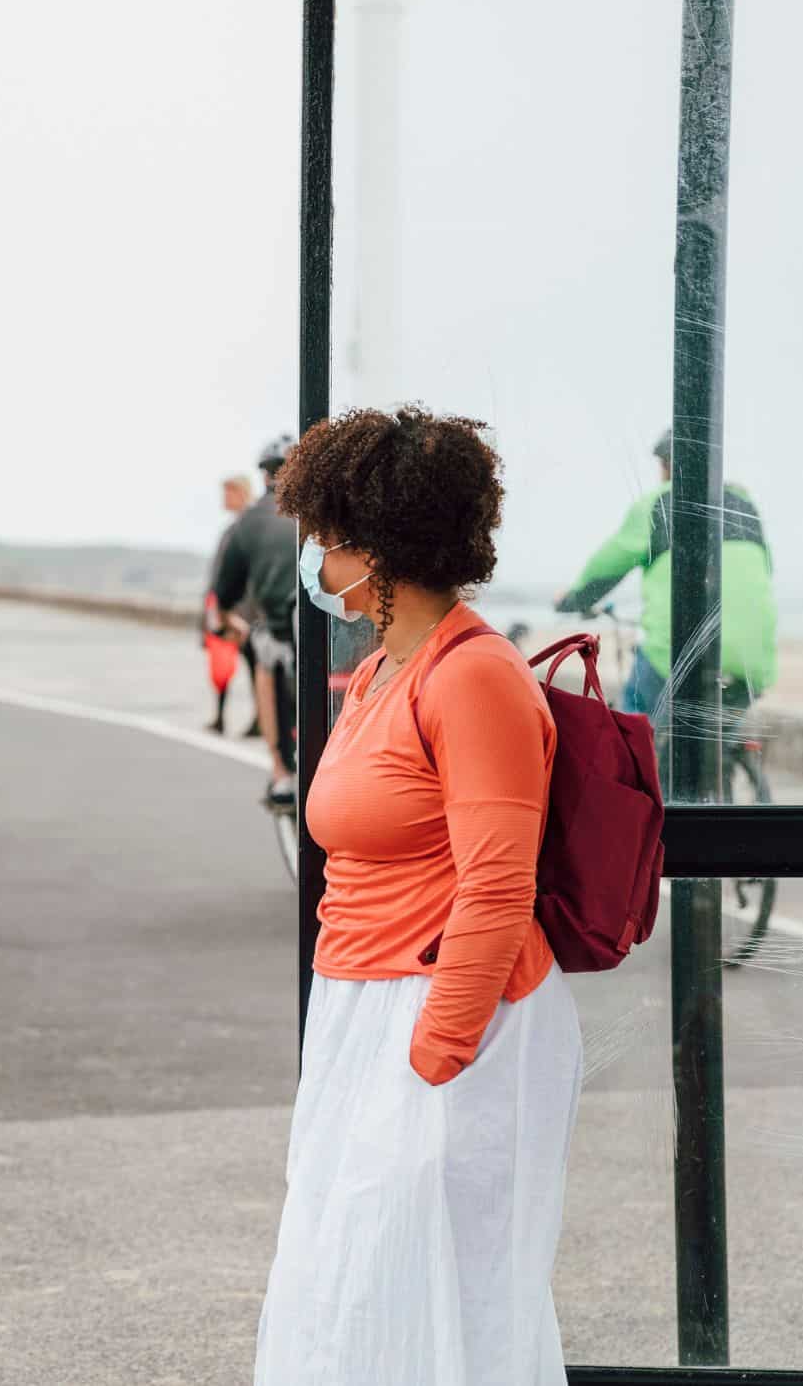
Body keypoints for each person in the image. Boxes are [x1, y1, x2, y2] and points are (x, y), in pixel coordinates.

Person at [254, 406, 581, 1386]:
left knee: (428, 1296)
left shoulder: (473, 676)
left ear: (370, 543)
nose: (311, 555)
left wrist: (433, 1057)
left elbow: (495, 883)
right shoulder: (385, 673)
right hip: (367, 1006)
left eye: (321, 532)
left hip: (445, 1021)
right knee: (349, 1291)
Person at [555, 429, 776, 737]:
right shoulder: (744, 504)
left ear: (666, 466)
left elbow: (608, 566)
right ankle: (728, 763)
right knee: (718, 740)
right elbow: (766, 568)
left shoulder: (658, 503)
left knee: (632, 728)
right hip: (752, 660)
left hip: (677, 651)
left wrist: (574, 599)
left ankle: (633, 776)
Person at [212, 434, 301, 806]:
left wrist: (227, 621)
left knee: (264, 657)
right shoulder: (325, 508)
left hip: (282, 627)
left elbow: (225, 589)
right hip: (332, 626)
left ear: (265, 477)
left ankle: (281, 772)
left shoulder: (248, 522)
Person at [204, 474, 262, 737]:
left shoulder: (245, 527)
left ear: (241, 493)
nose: (224, 499)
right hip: (232, 609)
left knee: (253, 664)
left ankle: (258, 718)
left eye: (228, 493)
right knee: (225, 665)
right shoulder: (238, 527)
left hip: (242, 612)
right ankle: (223, 717)